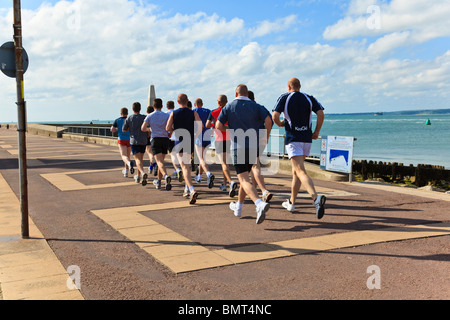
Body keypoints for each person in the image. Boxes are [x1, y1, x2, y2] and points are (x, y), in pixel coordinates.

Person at [216, 84, 272, 224]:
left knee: (243, 180)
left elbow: (218, 126)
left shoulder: (229, 106)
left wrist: (230, 128)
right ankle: (239, 207)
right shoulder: (256, 106)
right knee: (245, 178)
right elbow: (268, 121)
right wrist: (266, 136)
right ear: (247, 94)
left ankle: (259, 203)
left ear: (236, 94)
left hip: (238, 146)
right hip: (253, 146)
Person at [272, 77, 326, 219]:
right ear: (300, 86)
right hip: (306, 139)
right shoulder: (309, 98)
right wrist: (316, 132)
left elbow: (275, 116)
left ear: (288, 86)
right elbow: (321, 114)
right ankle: (292, 202)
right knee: (296, 172)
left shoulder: (284, 97)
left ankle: (316, 198)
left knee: (300, 171)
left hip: (293, 138)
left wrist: (280, 124)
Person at [166, 93, 202, 205]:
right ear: (187, 101)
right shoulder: (193, 113)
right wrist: (195, 135)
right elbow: (200, 126)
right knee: (187, 166)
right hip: (189, 140)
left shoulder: (174, 113)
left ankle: (191, 189)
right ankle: (186, 189)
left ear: (178, 102)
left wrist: (173, 130)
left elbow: (167, 128)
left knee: (184, 167)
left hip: (179, 141)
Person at [206, 95, 237, 196]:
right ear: (226, 102)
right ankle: (224, 184)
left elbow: (207, 125)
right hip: (229, 139)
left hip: (219, 140)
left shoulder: (213, 112)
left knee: (223, 164)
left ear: (218, 102)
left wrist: (214, 125)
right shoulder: (230, 111)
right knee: (226, 163)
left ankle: (230, 182)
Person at [248, 90, 274, 203]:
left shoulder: (246, 109)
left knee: (255, 166)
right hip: (261, 138)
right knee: (255, 165)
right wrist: (266, 136)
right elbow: (270, 121)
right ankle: (254, 190)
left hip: (250, 139)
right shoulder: (261, 107)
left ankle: (264, 191)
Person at [141, 98, 172, 191]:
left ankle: (166, 176)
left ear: (153, 106)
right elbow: (170, 127)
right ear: (162, 106)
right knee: (161, 162)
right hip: (165, 139)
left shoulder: (150, 115)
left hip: (155, 139)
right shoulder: (166, 115)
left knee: (159, 162)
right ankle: (158, 181)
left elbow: (142, 128)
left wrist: (149, 129)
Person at [123, 102, 148, 186]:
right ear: (140, 108)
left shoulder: (129, 118)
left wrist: (130, 128)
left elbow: (124, 129)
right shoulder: (144, 117)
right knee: (140, 159)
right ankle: (138, 176)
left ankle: (142, 172)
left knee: (137, 159)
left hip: (134, 141)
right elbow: (148, 128)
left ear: (132, 109)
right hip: (143, 140)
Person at [193, 98, 215, 188]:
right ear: (202, 104)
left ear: (195, 104)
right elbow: (213, 121)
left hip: (198, 136)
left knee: (201, 159)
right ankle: (199, 177)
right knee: (203, 158)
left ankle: (208, 174)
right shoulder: (208, 111)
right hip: (207, 135)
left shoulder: (193, 111)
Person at [110, 107, 134, 177]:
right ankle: (126, 172)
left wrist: (117, 130)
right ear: (127, 113)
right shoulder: (130, 119)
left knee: (124, 156)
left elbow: (112, 129)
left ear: (121, 113)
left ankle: (129, 164)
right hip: (129, 139)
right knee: (128, 156)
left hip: (121, 139)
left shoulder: (117, 120)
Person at [166, 100, 183, 182]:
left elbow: (167, 126)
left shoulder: (166, 114)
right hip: (179, 137)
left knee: (173, 155)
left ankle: (177, 169)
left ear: (167, 107)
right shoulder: (177, 113)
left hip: (170, 137)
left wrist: (170, 132)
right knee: (179, 155)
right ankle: (178, 169)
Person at [145, 105, 158, 177]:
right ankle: (151, 167)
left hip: (148, 138)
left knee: (150, 154)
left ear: (147, 111)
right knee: (153, 154)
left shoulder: (147, 118)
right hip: (156, 137)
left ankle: (155, 165)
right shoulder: (154, 118)